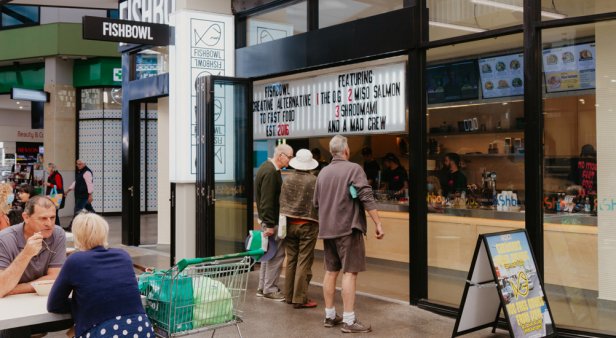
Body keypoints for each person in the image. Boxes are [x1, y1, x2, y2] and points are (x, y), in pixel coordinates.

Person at [313, 135, 384, 333]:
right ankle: (349, 321)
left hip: (328, 230)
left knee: (330, 271)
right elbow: (366, 197)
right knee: (349, 273)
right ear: (346, 151)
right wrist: (378, 223)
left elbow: (316, 204)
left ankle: (329, 316)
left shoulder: (322, 173)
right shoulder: (354, 169)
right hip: (347, 229)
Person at [47, 212, 154, 338]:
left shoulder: (75, 261)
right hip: (142, 328)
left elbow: (54, 304)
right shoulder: (123, 255)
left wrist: (83, 304)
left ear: (78, 236)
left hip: (104, 331)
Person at [279, 149, 319, 309]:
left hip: (289, 224)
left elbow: (281, 200)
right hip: (308, 225)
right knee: (304, 261)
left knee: (291, 260)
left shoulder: (287, 179)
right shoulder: (314, 180)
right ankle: (299, 298)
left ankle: (288, 295)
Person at [254, 143, 294, 301]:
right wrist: (270, 225)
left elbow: (263, 200)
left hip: (267, 219)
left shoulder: (265, 167)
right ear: (281, 155)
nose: (289, 161)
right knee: (276, 255)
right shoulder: (272, 172)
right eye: (289, 157)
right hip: (272, 221)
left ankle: (262, 287)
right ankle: (270, 289)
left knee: (267, 254)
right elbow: (268, 200)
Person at [45, 162, 64, 226]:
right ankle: (55, 226)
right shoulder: (51, 175)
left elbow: (59, 186)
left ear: (52, 168)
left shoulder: (57, 175)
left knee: (54, 212)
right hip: (51, 196)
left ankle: (57, 227)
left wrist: (49, 184)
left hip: (55, 196)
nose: (47, 169)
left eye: (48, 167)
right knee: (53, 212)